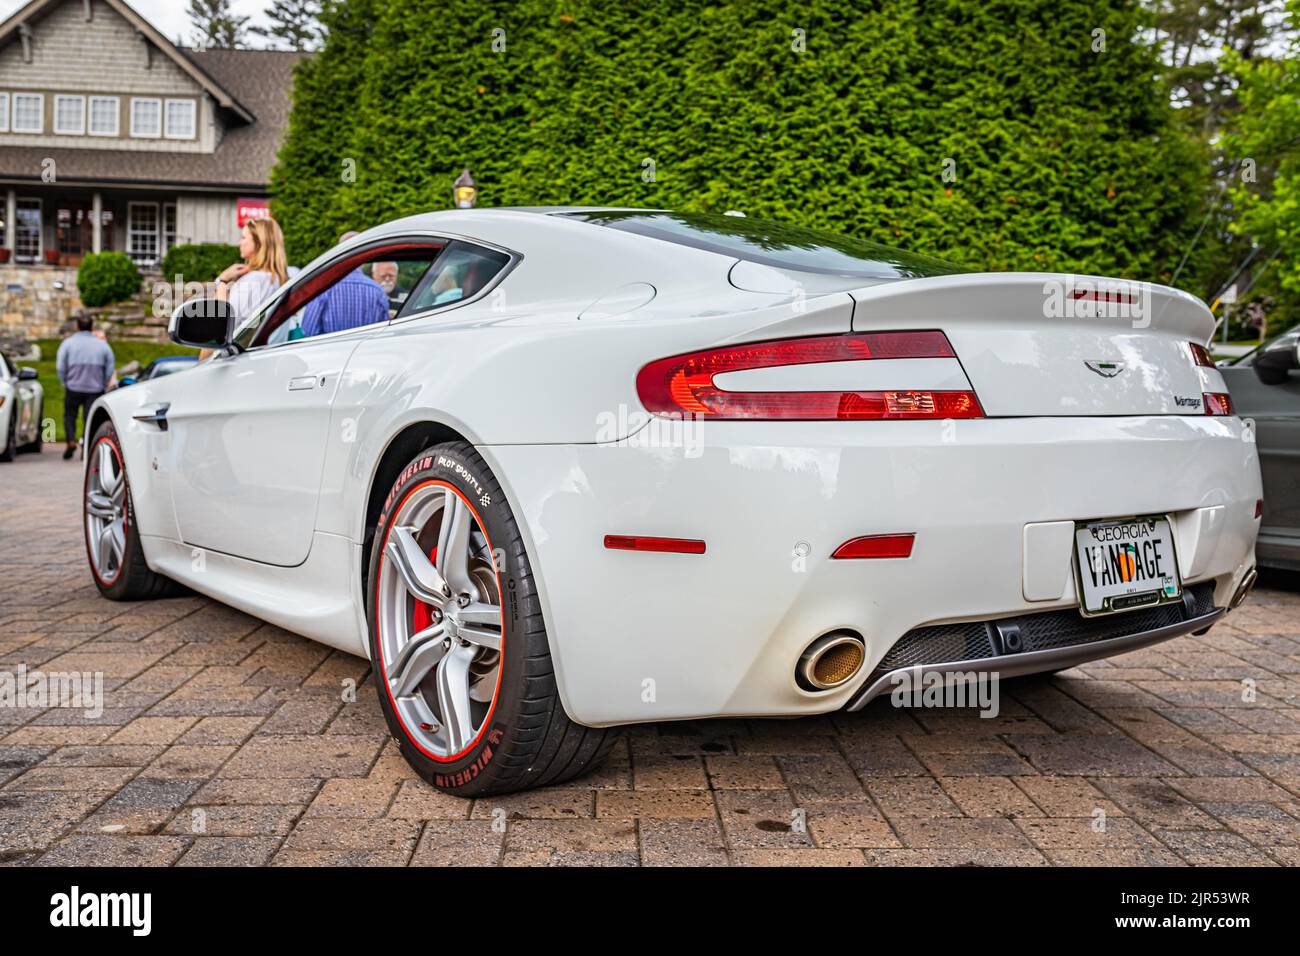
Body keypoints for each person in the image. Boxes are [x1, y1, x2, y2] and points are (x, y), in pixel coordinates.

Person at [300, 231, 390, 337]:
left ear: (339, 253)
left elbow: (308, 330)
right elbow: (384, 333)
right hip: (365, 352)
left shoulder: (323, 288)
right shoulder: (377, 291)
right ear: (364, 255)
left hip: (328, 351)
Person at [56, 314, 115, 460]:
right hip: (95, 388)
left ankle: (70, 440)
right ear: (91, 327)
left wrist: (65, 382)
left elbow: (60, 366)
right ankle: (86, 445)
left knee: (70, 416)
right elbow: (110, 366)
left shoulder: (68, 343)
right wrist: (104, 381)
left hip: (73, 386)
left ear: (77, 326)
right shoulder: (102, 345)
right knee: (89, 418)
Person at [214, 218, 290, 319]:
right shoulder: (279, 278)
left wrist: (222, 284)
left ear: (259, 243)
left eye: (243, 238)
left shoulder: (255, 279)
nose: (239, 243)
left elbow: (225, 325)